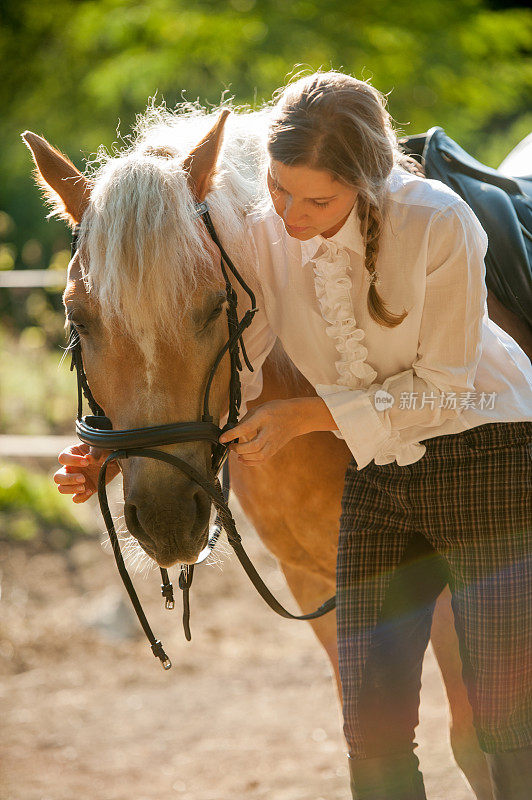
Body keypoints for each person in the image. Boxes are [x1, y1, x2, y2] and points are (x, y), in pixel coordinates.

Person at [55, 72, 531, 799]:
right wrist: (111, 456)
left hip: (481, 451)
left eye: (318, 201)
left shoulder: (439, 224)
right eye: (280, 192)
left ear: (370, 184)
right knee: (371, 729)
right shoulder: (268, 236)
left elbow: (449, 389)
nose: (293, 215)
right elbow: (218, 357)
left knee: (498, 724)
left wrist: (309, 416)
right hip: (381, 468)